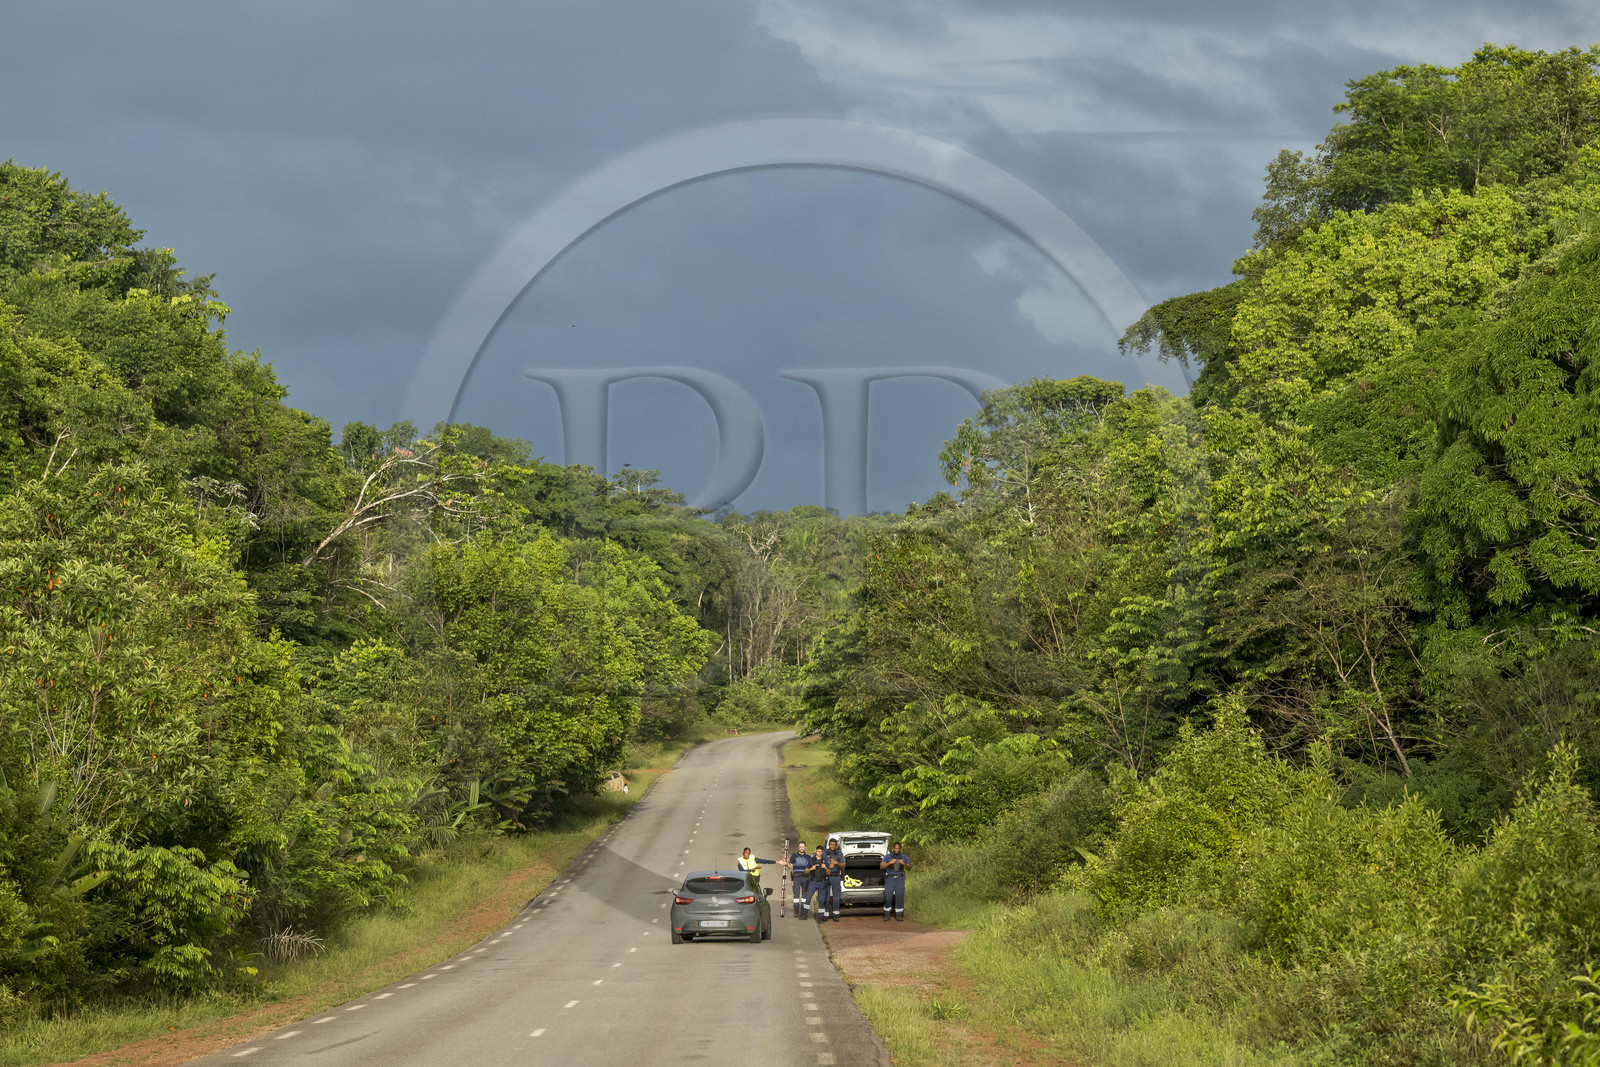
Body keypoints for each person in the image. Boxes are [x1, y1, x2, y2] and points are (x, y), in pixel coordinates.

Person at [879, 841, 911, 921]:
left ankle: (899, 914)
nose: (896, 850)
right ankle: (887, 914)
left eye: (898, 848)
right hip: (890, 879)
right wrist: (889, 862)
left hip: (900, 879)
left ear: (900, 849)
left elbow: (909, 867)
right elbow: (881, 866)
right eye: (895, 848)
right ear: (893, 848)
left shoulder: (904, 857)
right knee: (888, 896)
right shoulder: (888, 857)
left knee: (899, 896)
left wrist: (904, 864)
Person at [817, 837, 846, 922]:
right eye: (831, 844)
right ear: (828, 845)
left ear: (836, 845)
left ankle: (836, 915)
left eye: (834, 845)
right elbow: (820, 861)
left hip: (836, 876)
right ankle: (826, 915)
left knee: (836, 896)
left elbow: (843, 865)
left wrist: (836, 863)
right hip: (826, 876)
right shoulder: (825, 852)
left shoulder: (839, 853)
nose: (832, 846)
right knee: (826, 896)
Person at [785, 842, 817, 919]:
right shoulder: (794, 856)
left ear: (805, 847)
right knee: (796, 895)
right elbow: (790, 866)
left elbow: (811, 868)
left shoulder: (808, 857)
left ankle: (803, 910)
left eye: (803, 847)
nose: (801, 848)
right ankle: (796, 910)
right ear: (798, 847)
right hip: (796, 878)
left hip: (805, 878)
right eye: (800, 847)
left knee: (804, 896)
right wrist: (787, 862)